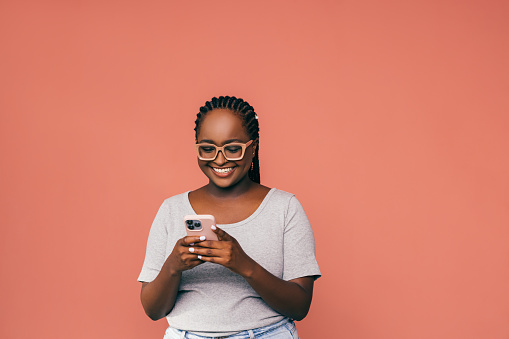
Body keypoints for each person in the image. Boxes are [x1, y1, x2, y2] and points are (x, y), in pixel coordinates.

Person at [138, 96, 321, 339]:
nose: (220, 159)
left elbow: (300, 307)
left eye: (233, 148)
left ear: (252, 147)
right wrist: (173, 267)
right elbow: (153, 311)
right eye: (208, 148)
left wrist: (244, 265)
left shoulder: (285, 208)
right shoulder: (171, 210)